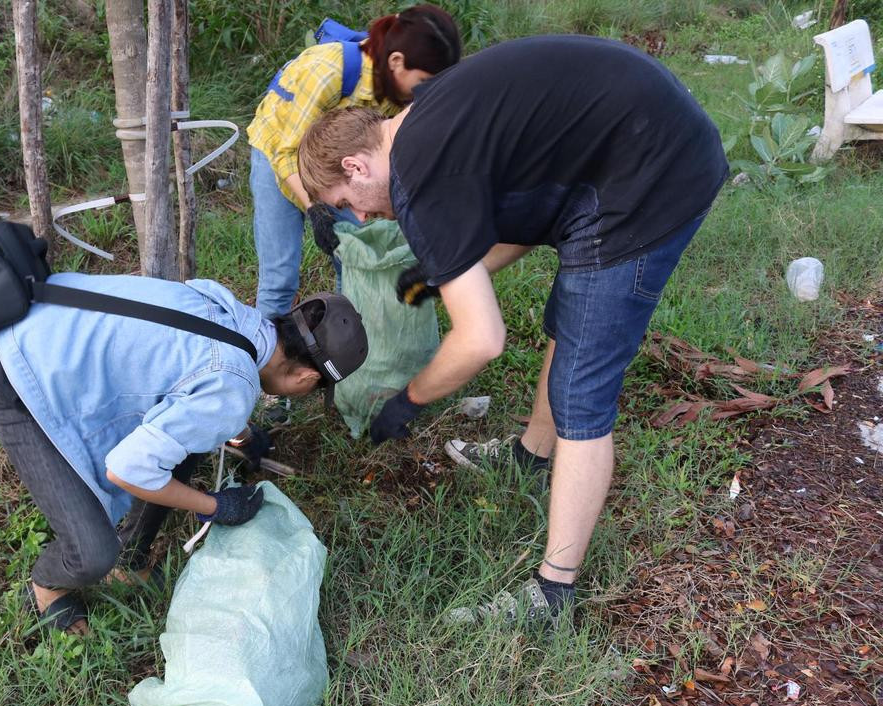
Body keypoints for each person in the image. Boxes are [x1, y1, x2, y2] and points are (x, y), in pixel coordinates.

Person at [297, 35, 728, 624]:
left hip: (651, 174)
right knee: (569, 320)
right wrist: (443, 274)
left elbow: (481, 339)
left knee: (582, 388)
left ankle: (554, 596)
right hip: (624, 150)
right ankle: (531, 456)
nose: (364, 217)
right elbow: (534, 204)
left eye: (351, 202)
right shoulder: (424, 124)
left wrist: (410, 398)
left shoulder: (418, 176)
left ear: (356, 165)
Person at [0, 274, 368, 633]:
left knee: (191, 441)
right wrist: (212, 505)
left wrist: (242, 433)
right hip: (19, 372)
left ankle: (130, 561)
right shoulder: (232, 387)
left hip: (44, 321)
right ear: (306, 378)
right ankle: (47, 583)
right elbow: (127, 470)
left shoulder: (233, 313)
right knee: (93, 553)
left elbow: (190, 371)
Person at [246, 5, 461, 319]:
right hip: (278, 157)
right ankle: (266, 362)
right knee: (280, 278)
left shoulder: (396, 96)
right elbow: (284, 153)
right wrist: (314, 208)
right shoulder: (327, 70)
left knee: (353, 261)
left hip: (339, 172)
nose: (426, 93)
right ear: (397, 62)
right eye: (424, 81)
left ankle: (348, 348)